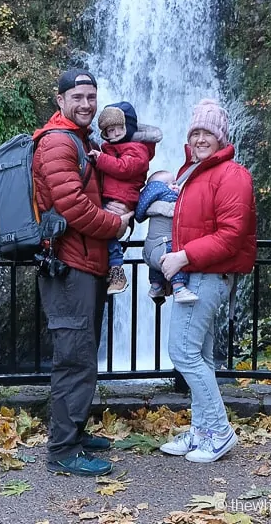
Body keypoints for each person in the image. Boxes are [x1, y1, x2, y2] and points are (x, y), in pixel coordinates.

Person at [32, 69, 132, 477]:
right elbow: (72, 205)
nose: (87, 104)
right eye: (78, 96)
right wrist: (117, 226)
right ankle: (63, 450)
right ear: (60, 101)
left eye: (92, 96)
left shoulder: (82, 141)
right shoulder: (57, 142)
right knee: (74, 359)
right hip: (69, 265)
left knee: (82, 355)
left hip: (85, 264)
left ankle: (74, 432)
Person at [159, 98, 256, 465]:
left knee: (182, 352)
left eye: (207, 133)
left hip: (207, 275)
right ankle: (202, 430)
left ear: (221, 137)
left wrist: (183, 257)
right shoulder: (194, 173)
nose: (200, 138)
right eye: (195, 132)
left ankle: (219, 430)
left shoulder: (231, 175)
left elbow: (232, 234)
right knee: (199, 355)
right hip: (197, 274)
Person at [87, 102, 162, 295]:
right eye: (109, 131)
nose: (113, 134)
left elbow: (125, 167)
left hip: (121, 199)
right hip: (111, 196)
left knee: (108, 232)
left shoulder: (138, 149)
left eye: (117, 129)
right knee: (104, 232)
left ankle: (117, 270)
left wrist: (101, 159)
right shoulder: (115, 148)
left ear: (127, 126)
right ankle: (112, 271)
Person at [134, 169, 198, 304]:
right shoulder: (168, 202)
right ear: (157, 189)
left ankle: (156, 286)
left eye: (174, 182)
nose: (174, 186)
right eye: (167, 184)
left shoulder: (150, 205)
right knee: (175, 255)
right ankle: (179, 288)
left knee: (159, 261)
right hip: (164, 247)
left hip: (150, 251)